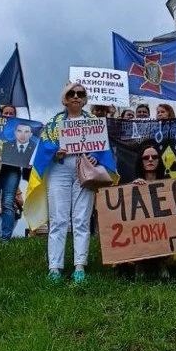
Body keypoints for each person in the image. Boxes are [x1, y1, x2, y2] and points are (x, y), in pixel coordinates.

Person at [45, 82, 103, 283]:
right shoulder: (53, 123)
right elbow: (44, 147)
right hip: (59, 169)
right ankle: (54, 267)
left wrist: (95, 156)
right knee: (58, 218)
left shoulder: (93, 121)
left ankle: (80, 266)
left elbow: (102, 146)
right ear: (65, 98)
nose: (76, 97)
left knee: (81, 218)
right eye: (72, 93)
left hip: (84, 168)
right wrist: (54, 152)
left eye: (80, 93)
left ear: (85, 98)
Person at [124, 142, 172, 280]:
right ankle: (139, 264)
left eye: (154, 157)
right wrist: (131, 188)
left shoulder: (168, 184)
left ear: (159, 160)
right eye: (146, 158)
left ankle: (161, 263)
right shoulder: (133, 184)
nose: (150, 160)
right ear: (141, 161)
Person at [0, 105, 31, 245]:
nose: (8, 115)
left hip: (12, 170)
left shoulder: (19, 132)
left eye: (11, 113)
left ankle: (5, 239)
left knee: (8, 203)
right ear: (1, 115)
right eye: (6, 113)